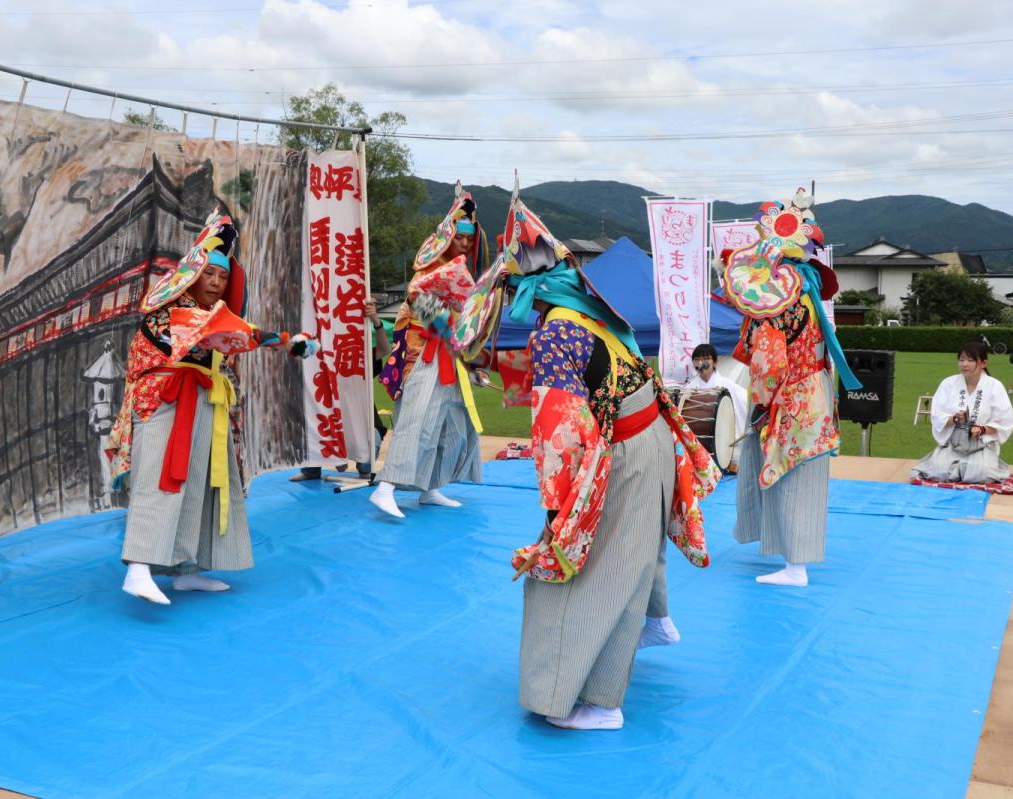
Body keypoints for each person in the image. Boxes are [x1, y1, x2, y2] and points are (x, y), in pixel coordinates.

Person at [458, 181, 718, 730]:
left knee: (583, 571)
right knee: (634, 547)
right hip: (650, 437)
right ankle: (655, 618)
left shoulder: (555, 333)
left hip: (622, 449)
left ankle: (595, 700)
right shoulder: (591, 312)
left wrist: (559, 516)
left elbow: (561, 434)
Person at [107, 208, 311, 605]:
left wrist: (287, 341)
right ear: (190, 276)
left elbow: (232, 333)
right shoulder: (164, 313)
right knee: (160, 479)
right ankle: (138, 568)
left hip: (202, 401)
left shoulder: (213, 317)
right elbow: (220, 333)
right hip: (164, 402)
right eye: (209, 274)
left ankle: (188, 569)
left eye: (222, 276)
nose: (217, 282)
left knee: (202, 482)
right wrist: (279, 338)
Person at [723, 188, 859, 588]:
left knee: (790, 476)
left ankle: (796, 565)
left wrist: (762, 406)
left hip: (790, 394)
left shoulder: (777, 299)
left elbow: (767, 363)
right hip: (812, 387)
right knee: (801, 477)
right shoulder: (804, 288)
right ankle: (793, 559)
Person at [369, 184, 487, 518]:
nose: (463, 243)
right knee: (416, 420)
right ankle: (386, 487)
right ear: (446, 237)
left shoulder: (465, 277)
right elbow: (415, 303)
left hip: (448, 355)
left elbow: (463, 329)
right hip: (423, 355)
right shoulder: (426, 273)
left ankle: (430, 486)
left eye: (468, 239)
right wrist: (448, 328)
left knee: (451, 422)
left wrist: (473, 363)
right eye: (458, 237)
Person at [291, 296, 391, 481]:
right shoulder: (321, 359)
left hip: (361, 423)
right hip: (330, 423)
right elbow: (297, 351)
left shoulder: (357, 357)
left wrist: (376, 322)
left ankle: (363, 468)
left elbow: (384, 350)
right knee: (309, 424)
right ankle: (311, 470)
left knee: (369, 448)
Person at [910, 342, 1013, 484]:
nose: (964, 364)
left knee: (982, 473)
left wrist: (982, 429)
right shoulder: (948, 383)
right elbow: (937, 414)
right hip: (953, 444)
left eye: (970, 360)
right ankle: (945, 462)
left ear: (983, 363)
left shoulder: (994, 386)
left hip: (980, 445)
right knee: (937, 471)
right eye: (961, 360)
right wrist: (954, 418)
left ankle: (978, 465)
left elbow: (1005, 420)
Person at [683, 342, 749, 473]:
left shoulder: (727, 385)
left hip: (725, 443)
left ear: (715, 362)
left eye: (706, 359)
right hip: (699, 445)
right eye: (697, 359)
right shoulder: (688, 390)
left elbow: (746, 400)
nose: (701, 363)